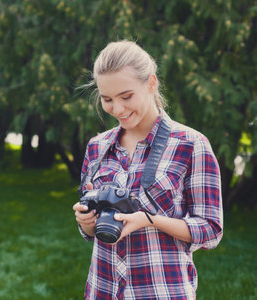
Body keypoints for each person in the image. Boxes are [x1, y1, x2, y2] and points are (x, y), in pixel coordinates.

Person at [72, 40, 223, 299]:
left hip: (162, 291)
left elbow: (211, 230)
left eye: (126, 96)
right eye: (107, 99)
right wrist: (86, 223)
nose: (117, 109)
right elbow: (91, 233)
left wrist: (147, 220)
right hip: (102, 290)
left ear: (151, 83)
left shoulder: (191, 144)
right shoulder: (97, 147)